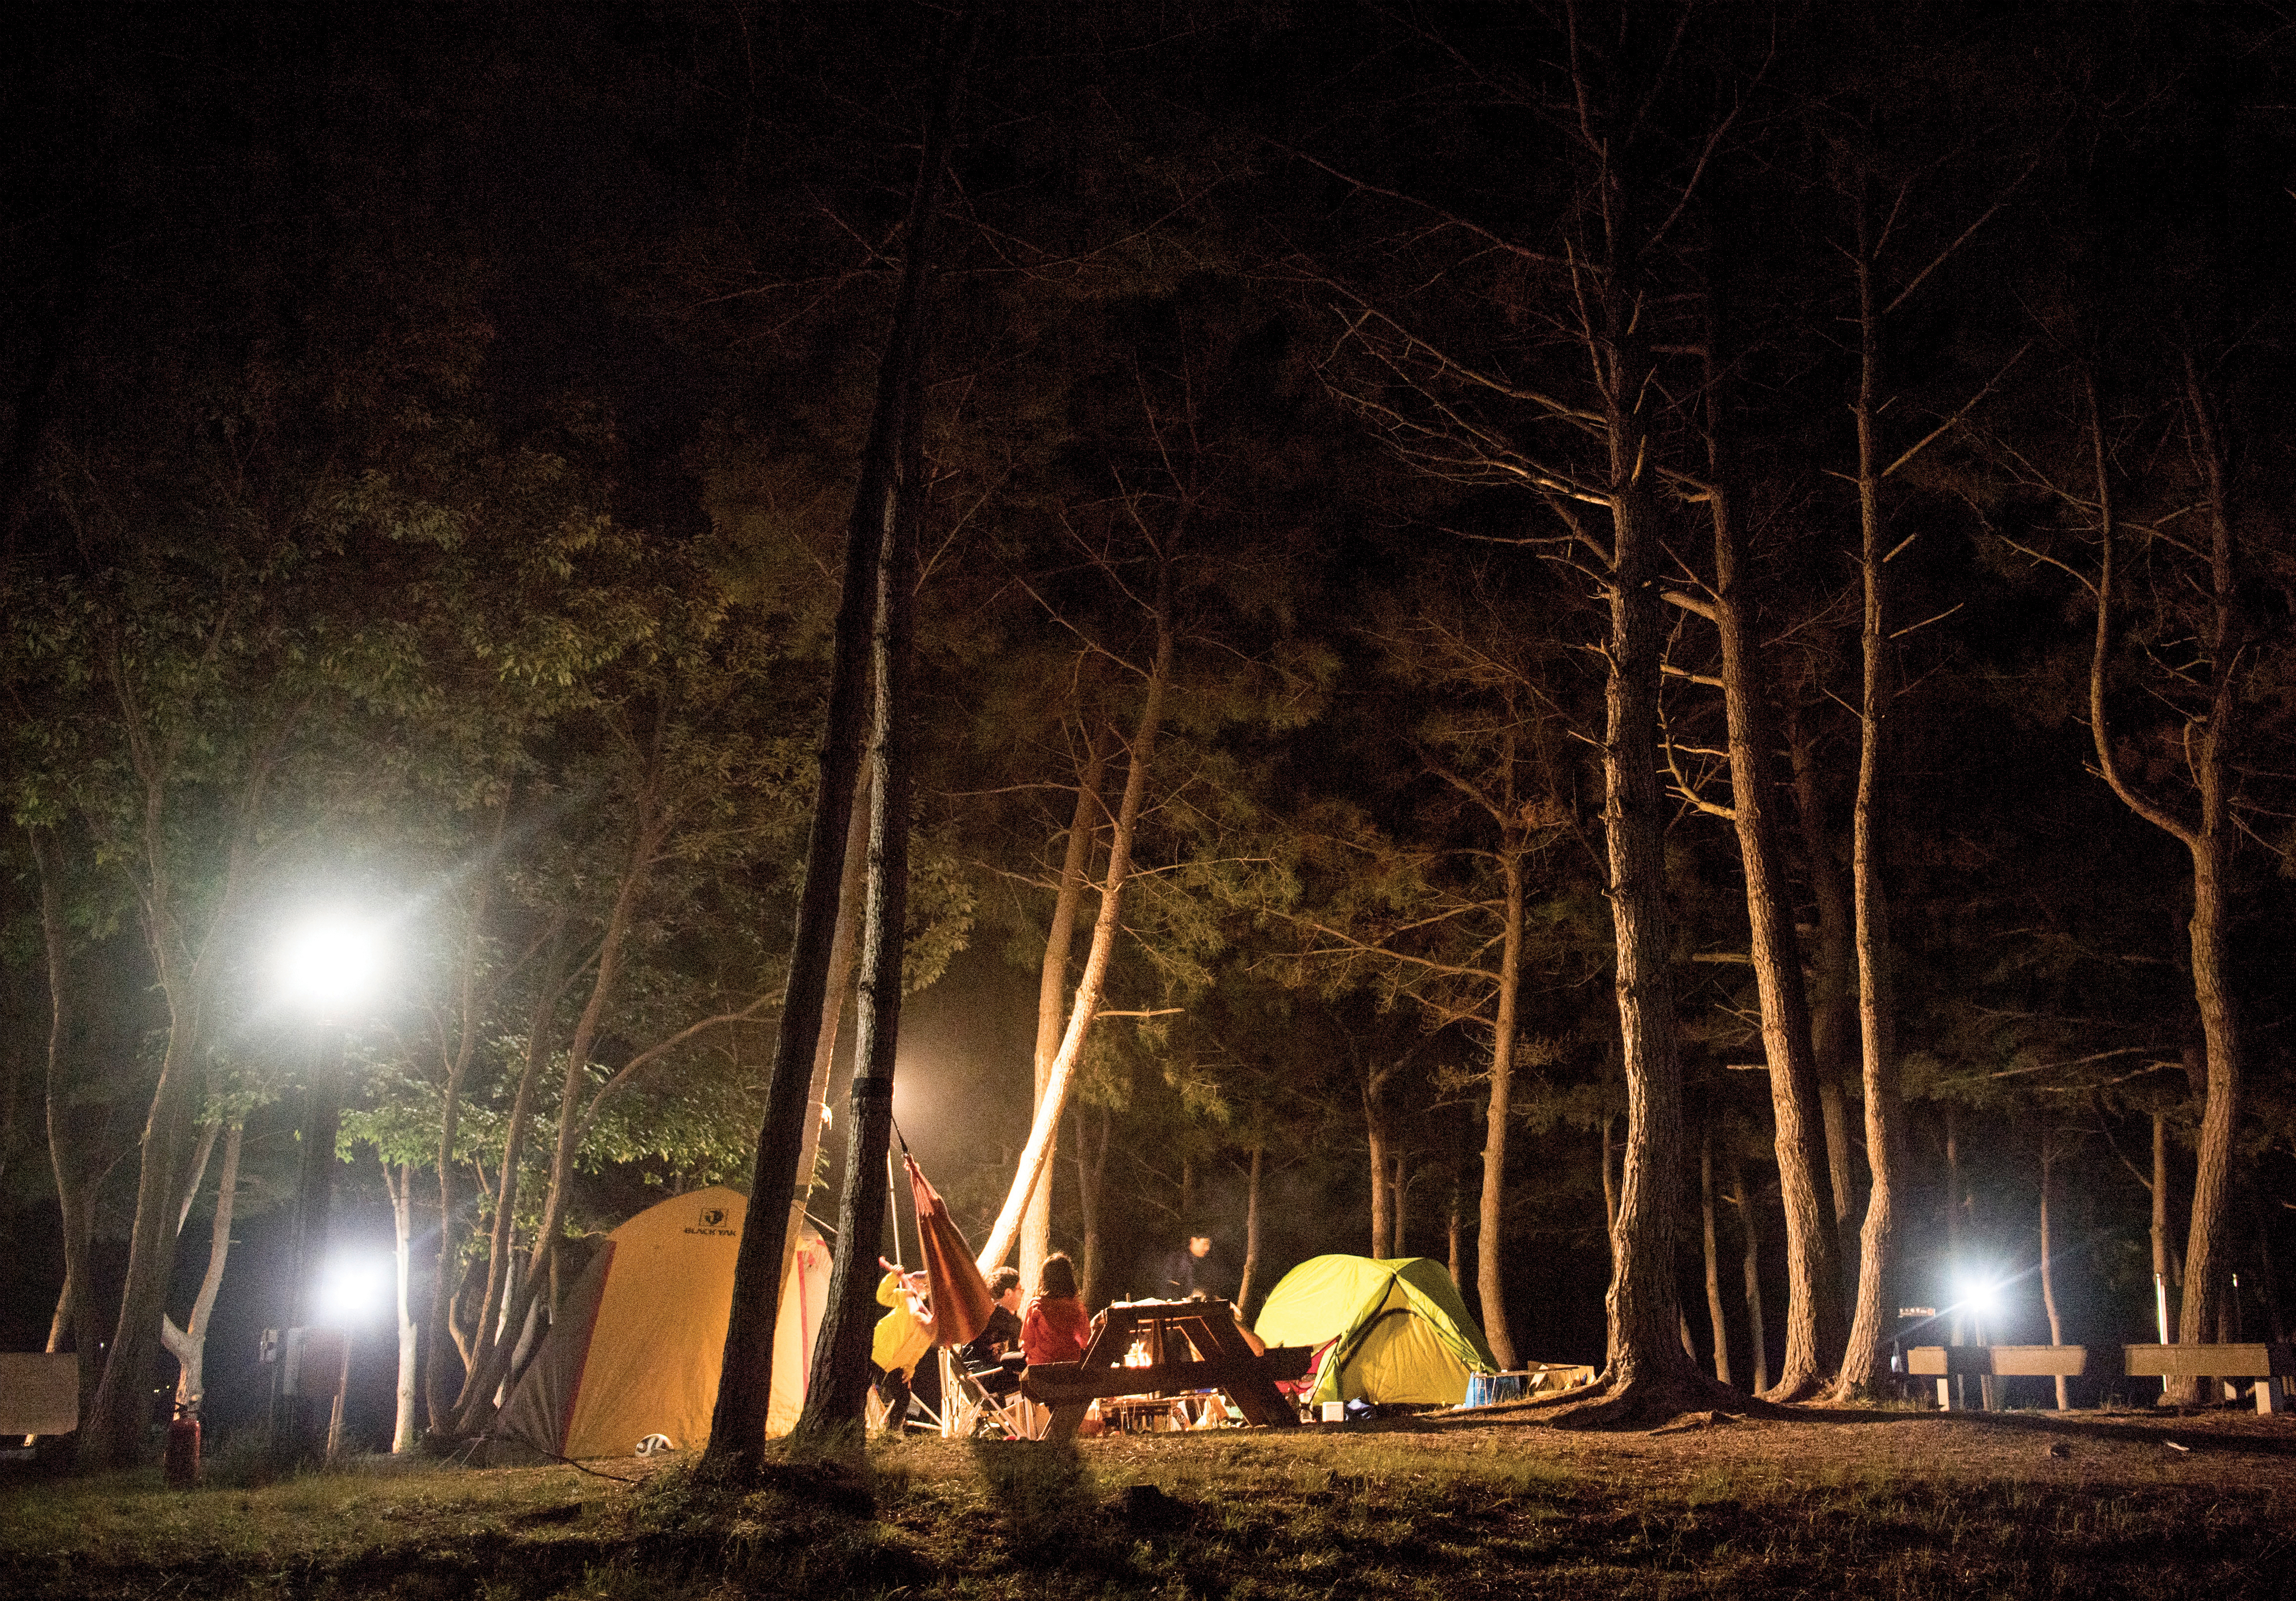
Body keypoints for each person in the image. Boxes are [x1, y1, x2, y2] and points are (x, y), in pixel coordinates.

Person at [870, 1258, 934, 1424]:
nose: (921, 1286)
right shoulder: (908, 1298)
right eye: (919, 1282)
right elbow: (883, 1296)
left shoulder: (932, 1323)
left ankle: (894, 1431)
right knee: (860, 1389)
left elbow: (919, 1350)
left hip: (897, 1364)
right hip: (877, 1352)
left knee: (903, 1397)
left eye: (926, 1285)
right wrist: (894, 1277)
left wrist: (910, 1369)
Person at [961, 1267, 1024, 1398]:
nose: (1022, 1294)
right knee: (1029, 1376)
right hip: (988, 1379)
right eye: (1019, 1289)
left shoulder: (983, 1312)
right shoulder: (1003, 1318)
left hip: (974, 1381)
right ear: (1008, 1292)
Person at [1021, 1252, 1090, 1366]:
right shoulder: (1079, 1308)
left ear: (1045, 1278)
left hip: (1040, 1366)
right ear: (1069, 1278)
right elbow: (1084, 1342)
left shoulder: (1036, 1305)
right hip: (1071, 1365)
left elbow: (1028, 1342)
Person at [1160, 1232, 1220, 1300]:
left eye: (1209, 1244)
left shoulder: (1204, 1263)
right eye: (1205, 1243)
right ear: (1193, 1241)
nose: (1208, 1248)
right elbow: (1171, 1292)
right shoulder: (1178, 1260)